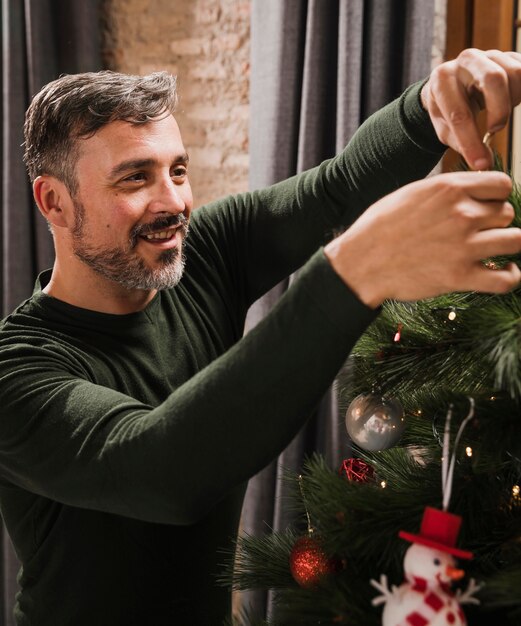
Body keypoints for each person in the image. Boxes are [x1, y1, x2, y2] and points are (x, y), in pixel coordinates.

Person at [1, 48, 521, 625]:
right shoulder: (18, 370)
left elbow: (338, 188)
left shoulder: (207, 256)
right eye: (135, 178)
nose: (174, 202)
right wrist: (353, 274)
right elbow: (164, 472)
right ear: (54, 200)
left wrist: (429, 109)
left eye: (178, 170)